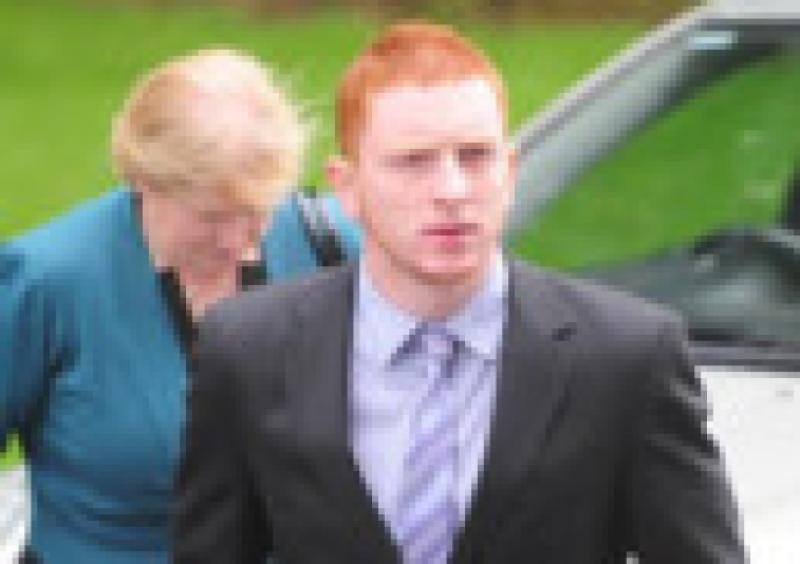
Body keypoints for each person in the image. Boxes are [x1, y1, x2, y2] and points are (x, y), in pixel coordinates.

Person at [174, 23, 746, 563]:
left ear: (511, 171)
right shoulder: (249, 350)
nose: (451, 190)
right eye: (412, 163)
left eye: (475, 156)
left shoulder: (626, 359)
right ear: (347, 187)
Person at [0, 48, 359, 563]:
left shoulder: (333, 250)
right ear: (143, 180)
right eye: (213, 215)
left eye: (257, 211)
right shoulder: (45, 280)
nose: (238, 239)